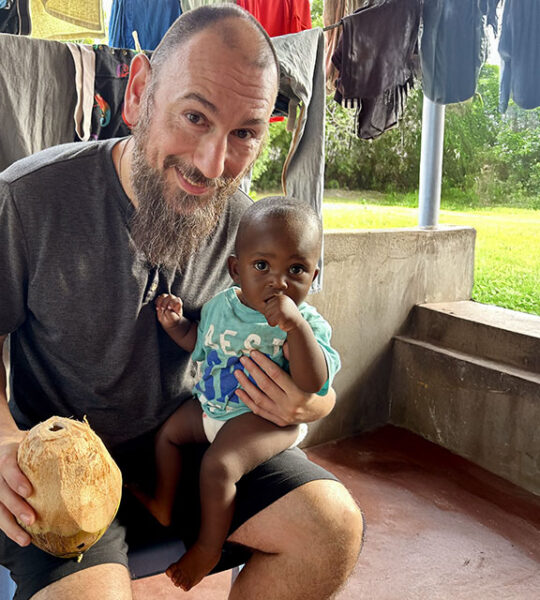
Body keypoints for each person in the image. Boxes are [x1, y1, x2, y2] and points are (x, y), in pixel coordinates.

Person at [0, 5, 364, 600]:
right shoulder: (30, 199)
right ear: (139, 92)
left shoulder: (253, 232)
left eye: (244, 133)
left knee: (331, 528)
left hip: (200, 441)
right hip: (64, 468)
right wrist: (2, 436)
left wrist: (316, 399)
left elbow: (308, 346)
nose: (212, 165)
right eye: (195, 116)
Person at [132, 196, 341, 590]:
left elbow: (315, 381)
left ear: (314, 276)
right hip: (213, 407)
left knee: (219, 467)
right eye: (262, 266)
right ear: (235, 269)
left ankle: (207, 548)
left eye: (296, 269)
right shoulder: (220, 306)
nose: (279, 281)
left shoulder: (307, 324)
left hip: (263, 420)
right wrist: (176, 326)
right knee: (169, 435)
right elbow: (200, 342)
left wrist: (296, 329)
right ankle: (162, 505)